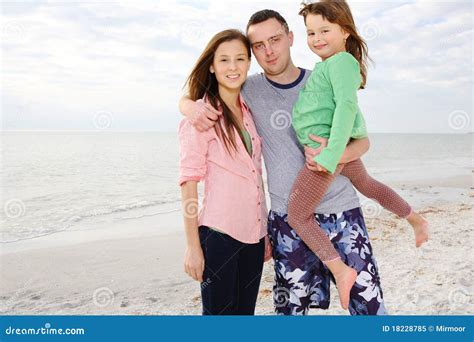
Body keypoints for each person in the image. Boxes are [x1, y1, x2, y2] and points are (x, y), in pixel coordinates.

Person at [180, 10, 386, 315]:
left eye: (275, 39)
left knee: (368, 306)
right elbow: (209, 94)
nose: (268, 50)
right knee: (290, 313)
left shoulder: (324, 80)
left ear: (290, 38)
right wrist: (187, 106)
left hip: (340, 211)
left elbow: (363, 141)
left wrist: (334, 154)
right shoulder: (248, 90)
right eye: (258, 45)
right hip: (287, 220)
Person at [287, 0, 430, 310]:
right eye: (311, 32)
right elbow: (346, 114)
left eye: (325, 30)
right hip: (331, 148)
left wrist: (330, 156)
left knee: (297, 214)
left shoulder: (341, 63)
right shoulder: (330, 65)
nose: (317, 38)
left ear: (345, 32)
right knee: (368, 184)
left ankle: (341, 270)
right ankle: (414, 218)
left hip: (324, 152)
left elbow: (345, 110)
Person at [179, 29, 271, 315]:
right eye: (225, 60)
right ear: (212, 65)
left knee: (246, 317)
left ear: (248, 63)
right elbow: (188, 184)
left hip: (253, 238)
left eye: (240, 59)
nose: (233, 67)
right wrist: (193, 247)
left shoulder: (248, 110)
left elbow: (255, 177)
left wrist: (264, 232)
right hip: (219, 237)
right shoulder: (201, 116)